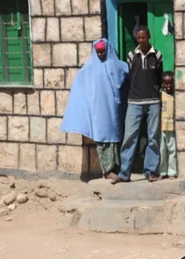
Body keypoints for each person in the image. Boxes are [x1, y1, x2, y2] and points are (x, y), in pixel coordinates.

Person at [60, 39, 128, 180]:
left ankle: (115, 168)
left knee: (115, 139)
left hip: (114, 110)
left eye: (103, 51)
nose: (101, 54)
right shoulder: (89, 68)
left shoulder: (116, 65)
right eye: (98, 52)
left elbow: (124, 75)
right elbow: (80, 87)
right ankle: (107, 171)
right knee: (103, 139)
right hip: (99, 111)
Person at [112, 26, 163, 184]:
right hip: (134, 102)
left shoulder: (158, 55)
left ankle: (150, 171)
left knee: (153, 137)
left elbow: (159, 77)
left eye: (144, 38)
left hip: (153, 101)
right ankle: (124, 173)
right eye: (139, 38)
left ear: (149, 37)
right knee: (129, 137)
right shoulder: (131, 56)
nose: (141, 41)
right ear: (136, 38)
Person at [158, 71, 177, 180]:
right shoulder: (161, 96)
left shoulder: (175, 97)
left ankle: (172, 172)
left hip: (172, 128)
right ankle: (162, 171)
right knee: (162, 151)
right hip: (161, 128)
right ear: (162, 84)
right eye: (166, 84)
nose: (168, 86)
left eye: (170, 84)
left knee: (172, 150)